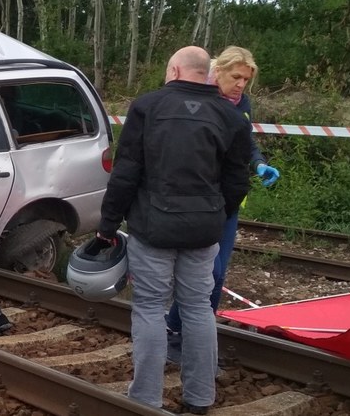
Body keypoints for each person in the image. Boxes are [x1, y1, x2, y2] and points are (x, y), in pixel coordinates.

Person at [98, 47, 252, 414]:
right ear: (207, 73)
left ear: (174, 69)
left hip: (153, 228)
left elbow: (127, 171)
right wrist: (216, 214)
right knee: (198, 307)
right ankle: (200, 398)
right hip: (204, 231)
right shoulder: (231, 118)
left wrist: (108, 223)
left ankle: (146, 401)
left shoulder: (148, 107)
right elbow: (237, 181)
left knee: (150, 308)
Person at [164, 46, 280, 359]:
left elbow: (247, 142)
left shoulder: (242, 104)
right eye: (236, 76)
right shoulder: (199, 97)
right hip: (199, 201)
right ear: (219, 72)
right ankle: (177, 332)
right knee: (205, 273)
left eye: (247, 78)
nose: (241, 84)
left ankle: (188, 334)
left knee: (217, 276)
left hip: (228, 205)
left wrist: (258, 164)